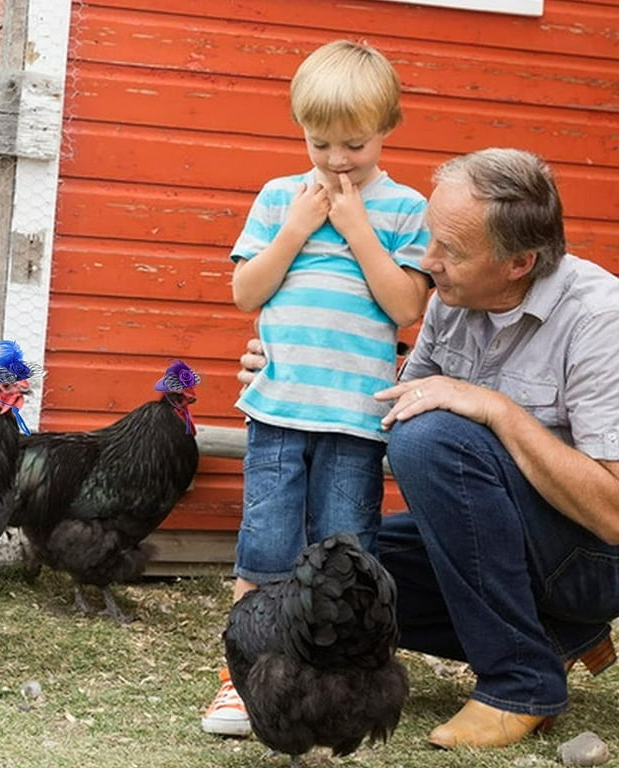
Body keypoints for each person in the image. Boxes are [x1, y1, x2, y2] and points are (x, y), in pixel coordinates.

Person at [235, 146, 619, 749]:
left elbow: (615, 516)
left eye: (451, 250)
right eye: (430, 237)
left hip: (589, 561)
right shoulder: (451, 301)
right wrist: (300, 368)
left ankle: (519, 683)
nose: (426, 259)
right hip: (507, 542)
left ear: (519, 261)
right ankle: (556, 634)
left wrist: (494, 407)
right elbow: (398, 398)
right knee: (343, 566)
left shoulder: (600, 319)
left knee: (433, 436)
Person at [200, 39, 431, 737]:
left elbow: (405, 308)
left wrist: (356, 228)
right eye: (319, 141)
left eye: (354, 143)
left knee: (346, 553)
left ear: (388, 128)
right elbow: (247, 291)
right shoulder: (279, 198)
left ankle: (339, 688)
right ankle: (242, 681)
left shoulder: (404, 209)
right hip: (278, 410)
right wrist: (298, 227)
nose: (335, 159)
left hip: (356, 421)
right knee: (265, 548)